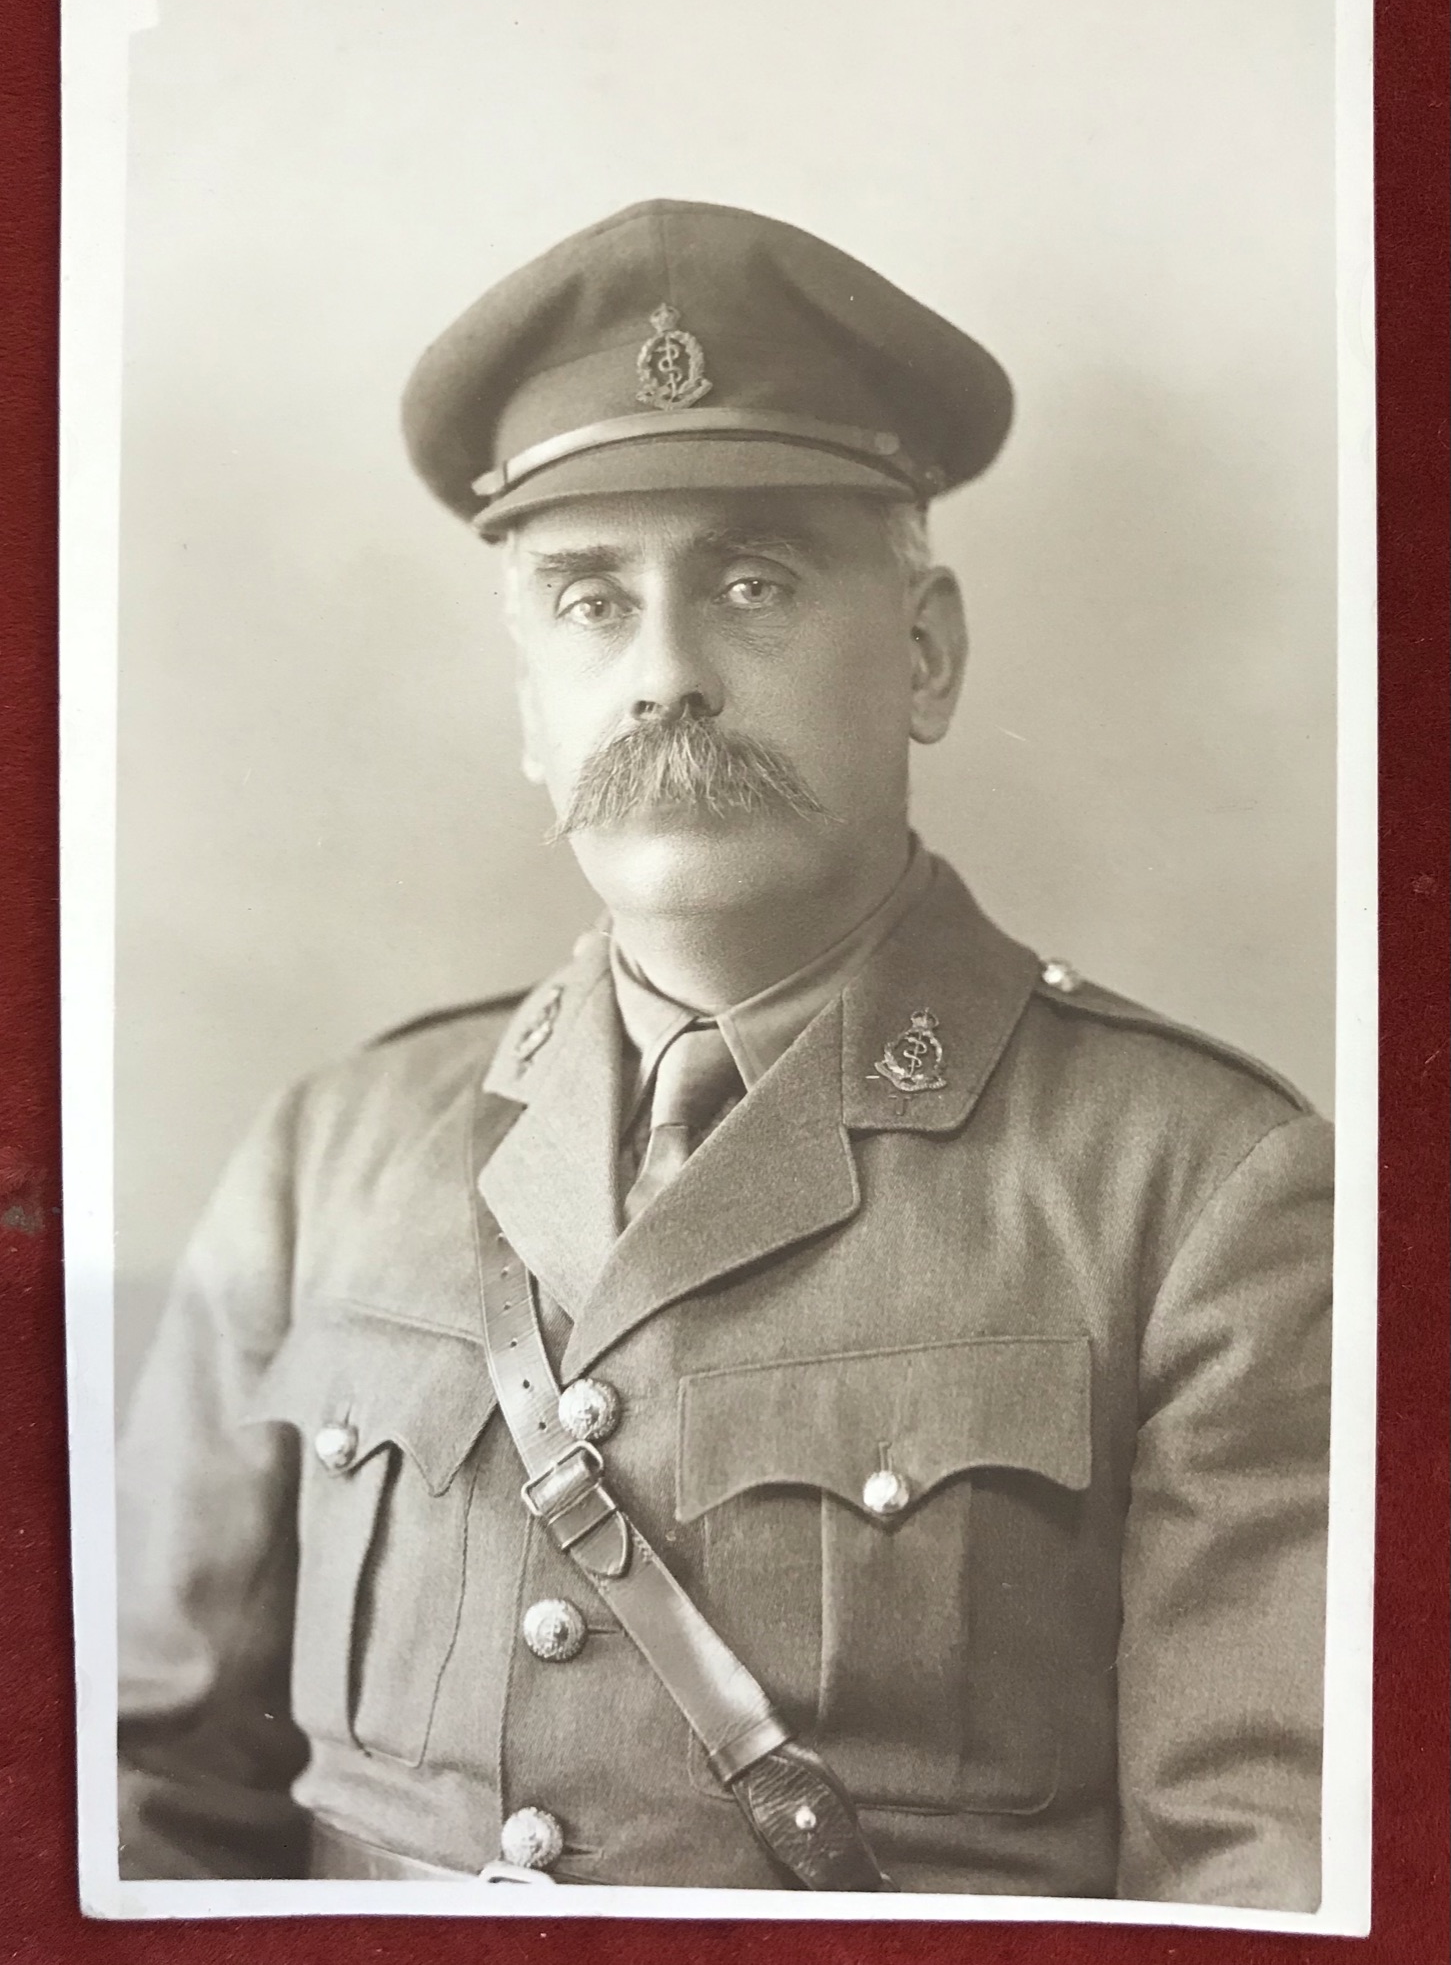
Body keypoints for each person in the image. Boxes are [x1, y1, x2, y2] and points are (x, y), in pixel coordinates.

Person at [116, 199, 1331, 1905]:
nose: (665, 673)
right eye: (589, 600)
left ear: (923, 651)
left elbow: (1267, 1894)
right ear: (529, 704)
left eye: (752, 583)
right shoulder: (336, 1148)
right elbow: (135, 1794)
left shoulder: (1199, 1192)